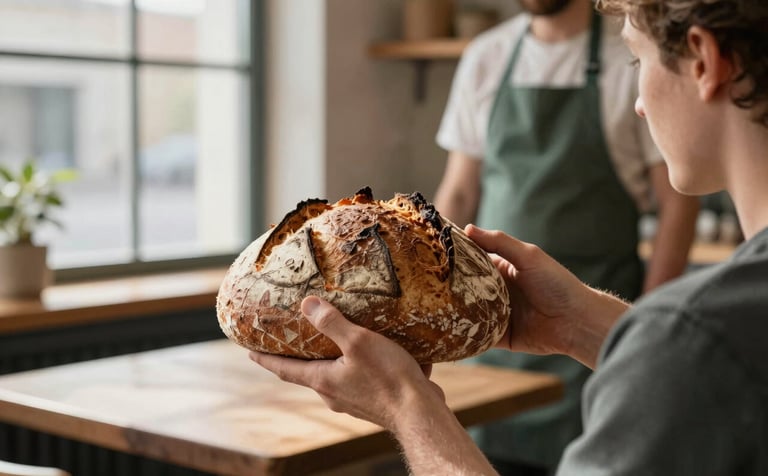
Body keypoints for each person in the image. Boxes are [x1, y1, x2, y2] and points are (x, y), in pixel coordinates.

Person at [250, 0, 768, 474]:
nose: (638, 102)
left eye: (639, 61)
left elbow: (699, 358)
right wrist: (584, 326)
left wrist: (405, 407)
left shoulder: (700, 335)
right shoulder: (722, 324)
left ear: (703, 60)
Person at [432, 0, 699, 472]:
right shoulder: (486, 56)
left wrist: (650, 329)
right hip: (496, 337)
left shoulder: (629, 58)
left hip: (593, 333)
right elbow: (457, 192)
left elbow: (677, 204)